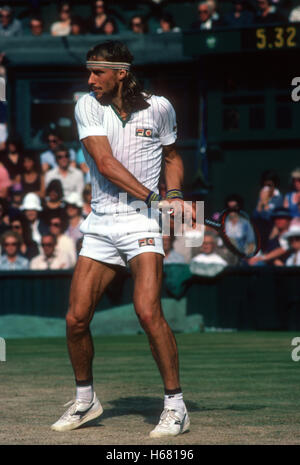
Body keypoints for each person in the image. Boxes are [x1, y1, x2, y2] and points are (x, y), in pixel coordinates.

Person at [50, 40, 194, 438]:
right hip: (102, 222)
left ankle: (176, 407)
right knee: (76, 318)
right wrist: (154, 196)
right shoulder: (87, 105)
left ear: (121, 72)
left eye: (98, 72)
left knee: (147, 312)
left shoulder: (160, 107)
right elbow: (105, 163)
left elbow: (171, 157)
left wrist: (176, 194)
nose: (90, 79)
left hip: (144, 224)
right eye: (89, 70)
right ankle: (85, 400)